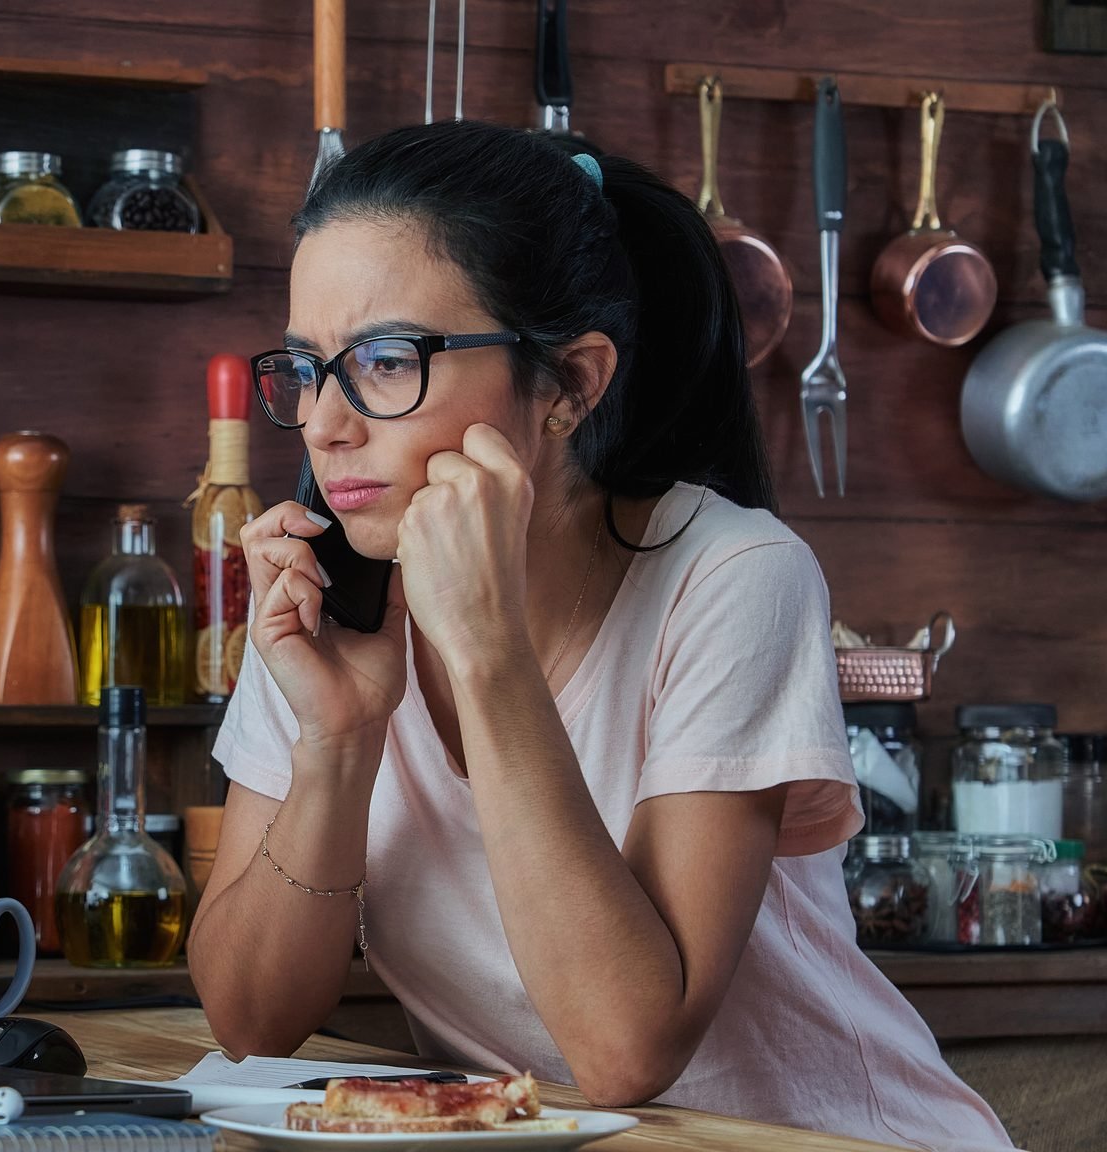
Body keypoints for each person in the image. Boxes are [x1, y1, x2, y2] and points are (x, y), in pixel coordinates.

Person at [187, 120, 1011, 1152]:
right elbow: (251, 1025)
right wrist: (338, 743)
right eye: (308, 368)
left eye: (388, 360)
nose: (324, 424)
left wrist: (489, 657)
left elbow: (625, 1050)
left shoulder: (734, 576)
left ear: (571, 383)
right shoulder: (329, 600)